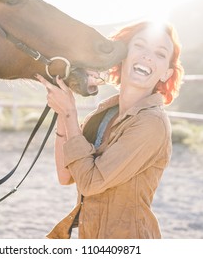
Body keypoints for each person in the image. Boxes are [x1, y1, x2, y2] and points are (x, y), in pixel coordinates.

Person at [35, 20, 184, 239]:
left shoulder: (152, 123)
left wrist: (70, 112)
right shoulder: (105, 113)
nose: (147, 57)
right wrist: (62, 107)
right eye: (140, 46)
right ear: (122, 56)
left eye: (160, 54)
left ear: (166, 74)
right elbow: (65, 175)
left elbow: (90, 182)